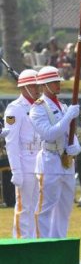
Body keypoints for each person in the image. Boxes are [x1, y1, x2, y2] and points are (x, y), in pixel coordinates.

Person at [29, 66, 81, 238]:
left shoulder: (64, 106)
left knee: (64, 208)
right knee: (46, 207)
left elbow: (70, 133)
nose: (58, 84)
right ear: (44, 85)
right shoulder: (38, 108)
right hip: (50, 161)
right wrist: (68, 117)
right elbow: (49, 134)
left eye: (58, 81)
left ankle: (59, 244)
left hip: (66, 162)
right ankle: (43, 247)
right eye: (53, 82)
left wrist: (76, 146)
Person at [4, 69, 41, 238]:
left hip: (39, 161)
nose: (37, 89)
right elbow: (11, 143)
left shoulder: (40, 106)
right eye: (33, 86)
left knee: (36, 207)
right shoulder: (15, 109)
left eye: (37, 85)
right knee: (23, 207)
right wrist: (16, 170)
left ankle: (33, 243)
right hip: (24, 160)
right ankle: (20, 244)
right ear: (24, 87)